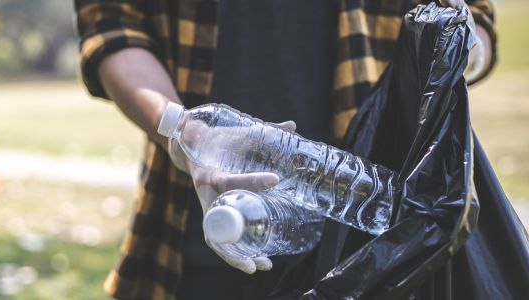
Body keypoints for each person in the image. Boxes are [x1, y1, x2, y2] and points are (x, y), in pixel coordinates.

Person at [74, 0, 496, 299]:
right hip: (194, 226)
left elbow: (475, 19)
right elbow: (113, 25)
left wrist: (457, 51)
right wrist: (185, 133)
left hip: (374, 234)